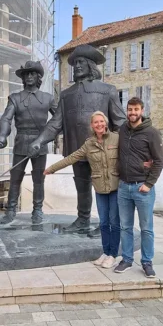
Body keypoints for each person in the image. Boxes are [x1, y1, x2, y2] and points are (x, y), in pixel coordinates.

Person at [28, 44, 126, 233]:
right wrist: (39, 140)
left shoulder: (107, 90)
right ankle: (83, 219)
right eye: (74, 63)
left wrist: (125, 148)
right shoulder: (66, 95)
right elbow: (55, 124)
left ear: (90, 64)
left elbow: (119, 121)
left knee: (107, 186)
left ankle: (109, 223)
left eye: (81, 62)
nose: (77, 66)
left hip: (103, 150)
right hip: (77, 149)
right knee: (81, 185)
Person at [44, 111, 120, 268]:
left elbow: (130, 156)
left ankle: (113, 254)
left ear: (105, 123)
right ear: (92, 125)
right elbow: (72, 157)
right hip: (100, 189)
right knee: (104, 223)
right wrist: (51, 168)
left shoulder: (117, 139)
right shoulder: (89, 144)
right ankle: (105, 252)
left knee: (114, 222)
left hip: (116, 187)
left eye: (101, 121)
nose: (99, 124)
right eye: (95, 122)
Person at [0, 61, 57, 225]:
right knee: (15, 178)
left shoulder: (48, 98)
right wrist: (1, 135)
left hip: (40, 143)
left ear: (38, 77)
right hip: (21, 142)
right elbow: (6, 118)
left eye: (32, 73)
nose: (29, 76)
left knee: (38, 179)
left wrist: (48, 136)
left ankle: (37, 210)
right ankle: (11, 210)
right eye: (26, 74)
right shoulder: (15, 98)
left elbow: (59, 121)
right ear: (23, 78)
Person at [114, 97, 163, 278]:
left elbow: (159, 161)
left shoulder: (151, 133)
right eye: (130, 109)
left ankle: (146, 262)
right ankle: (127, 259)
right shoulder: (122, 130)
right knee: (125, 227)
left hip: (142, 188)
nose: (132, 113)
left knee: (146, 228)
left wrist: (149, 184)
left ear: (141, 111)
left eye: (136, 109)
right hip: (124, 187)